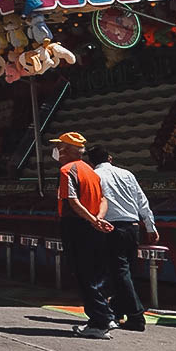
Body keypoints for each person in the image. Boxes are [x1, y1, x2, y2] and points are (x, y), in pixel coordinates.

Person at [87, 144, 158, 332]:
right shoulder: (127, 174)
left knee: (117, 270)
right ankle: (117, 309)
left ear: (91, 162)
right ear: (110, 158)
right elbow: (142, 201)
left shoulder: (95, 176)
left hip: (111, 226)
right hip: (132, 227)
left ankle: (136, 315)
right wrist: (150, 226)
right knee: (125, 270)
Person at [51, 132, 114, 338]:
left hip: (77, 225)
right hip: (93, 226)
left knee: (83, 273)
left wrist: (91, 219)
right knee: (95, 272)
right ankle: (104, 316)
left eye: (59, 147)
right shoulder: (91, 171)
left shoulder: (67, 170)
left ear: (67, 150)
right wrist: (98, 219)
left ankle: (100, 320)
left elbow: (72, 200)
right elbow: (104, 199)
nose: (57, 151)